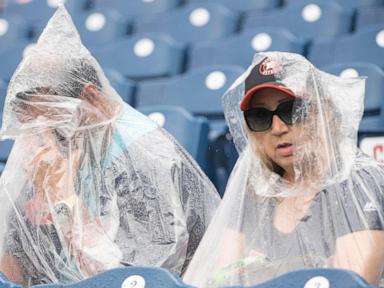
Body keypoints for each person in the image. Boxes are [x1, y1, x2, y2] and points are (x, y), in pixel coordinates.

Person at [0, 6, 220, 286]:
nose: (41, 137)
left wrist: (64, 198)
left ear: (93, 101)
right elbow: (11, 266)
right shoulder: (43, 159)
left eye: (53, 119)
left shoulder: (146, 159)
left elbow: (137, 278)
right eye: (32, 127)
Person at [183, 52, 384, 287]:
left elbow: (348, 282)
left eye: (291, 110)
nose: (277, 128)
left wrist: (261, 274)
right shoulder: (253, 194)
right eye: (260, 116)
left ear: (324, 110)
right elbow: (220, 280)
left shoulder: (359, 183)